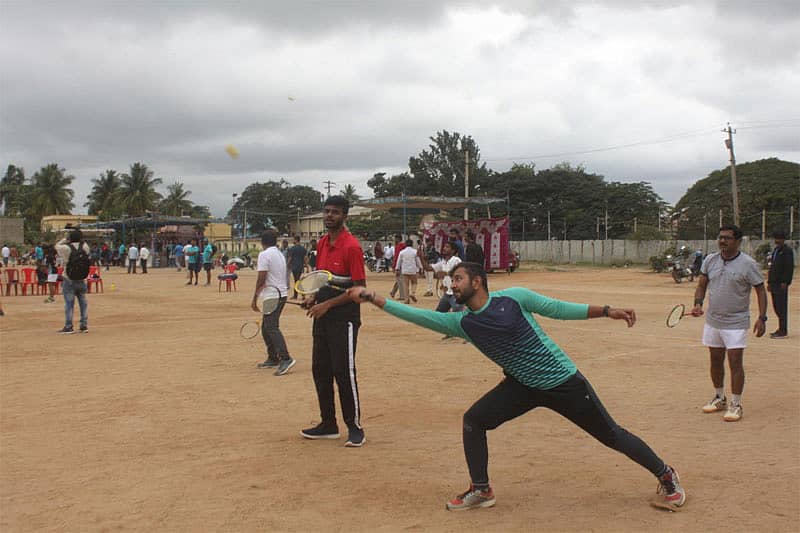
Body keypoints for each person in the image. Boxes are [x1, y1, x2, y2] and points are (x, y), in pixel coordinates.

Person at [346, 262, 686, 511]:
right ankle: (481, 489)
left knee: (611, 434)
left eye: (458, 279)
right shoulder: (461, 322)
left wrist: (607, 310)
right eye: (451, 282)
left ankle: (666, 475)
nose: (452, 287)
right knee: (474, 420)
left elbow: (558, 309)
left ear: (477, 281)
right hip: (522, 386)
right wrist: (375, 298)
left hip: (563, 382)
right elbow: (418, 317)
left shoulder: (514, 299)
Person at [301, 196, 367, 447]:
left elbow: (359, 289)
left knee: (344, 372)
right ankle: (328, 424)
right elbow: (321, 280)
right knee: (321, 370)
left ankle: (355, 427)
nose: (329, 216)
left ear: (345, 216)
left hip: (345, 319)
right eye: (327, 211)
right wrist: (312, 298)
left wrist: (326, 304)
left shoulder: (352, 247)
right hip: (322, 316)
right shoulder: (322, 243)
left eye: (335, 212)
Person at [691, 224, 767, 422]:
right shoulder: (710, 260)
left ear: (738, 241)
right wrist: (698, 304)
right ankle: (719, 397)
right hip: (713, 320)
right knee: (715, 360)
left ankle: (736, 404)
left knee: (735, 362)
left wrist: (762, 317)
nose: (722, 241)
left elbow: (760, 289)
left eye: (727, 238)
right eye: (720, 237)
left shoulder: (748, 264)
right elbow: (701, 285)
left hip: (736, 320)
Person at [252, 230, 296, 376]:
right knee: (266, 327)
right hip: (280, 294)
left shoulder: (264, 254)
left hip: (272, 295)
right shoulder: (279, 254)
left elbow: (261, 277)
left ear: (262, 242)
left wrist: (255, 297)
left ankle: (285, 358)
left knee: (271, 327)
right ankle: (273, 358)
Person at [55, 229, 91, 334]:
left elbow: (56, 246)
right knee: (83, 303)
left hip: (69, 278)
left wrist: (64, 240)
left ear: (70, 238)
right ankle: (84, 325)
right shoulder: (85, 247)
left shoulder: (65, 248)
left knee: (69, 304)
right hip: (82, 278)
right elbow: (86, 247)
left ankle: (69, 326)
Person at [767, 230, 793, 339]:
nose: (777, 241)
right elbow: (772, 267)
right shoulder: (776, 250)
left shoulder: (787, 251)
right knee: (776, 306)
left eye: (779, 239)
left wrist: (785, 281)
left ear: (783, 240)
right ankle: (780, 328)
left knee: (782, 307)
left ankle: (783, 330)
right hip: (773, 283)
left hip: (781, 283)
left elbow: (789, 267)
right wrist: (769, 282)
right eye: (775, 238)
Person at [433, 241, 463, 313]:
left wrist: (445, 273)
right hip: (448, 293)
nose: (444, 248)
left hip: (456, 292)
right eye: (444, 246)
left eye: (447, 247)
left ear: (453, 251)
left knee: (457, 313)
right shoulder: (443, 262)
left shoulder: (456, 260)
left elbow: (460, 273)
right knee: (439, 313)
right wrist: (420, 257)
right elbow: (428, 268)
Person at [396, 239, 422, 304]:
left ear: (405, 244)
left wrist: (397, 269)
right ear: (412, 244)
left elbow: (399, 261)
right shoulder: (415, 251)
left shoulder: (402, 252)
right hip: (413, 270)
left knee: (405, 285)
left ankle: (406, 299)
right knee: (414, 282)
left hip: (404, 270)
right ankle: (412, 293)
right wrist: (421, 267)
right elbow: (417, 261)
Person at [388, 234, 406, 300]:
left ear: (398, 239)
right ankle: (393, 292)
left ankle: (402, 296)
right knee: (399, 279)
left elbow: (396, 257)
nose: (394, 240)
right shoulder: (404, 245)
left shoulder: (398, 246)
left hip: (399, 265)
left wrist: (394, 266)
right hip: (404, 264)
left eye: (395, 239)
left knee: (400, 280)